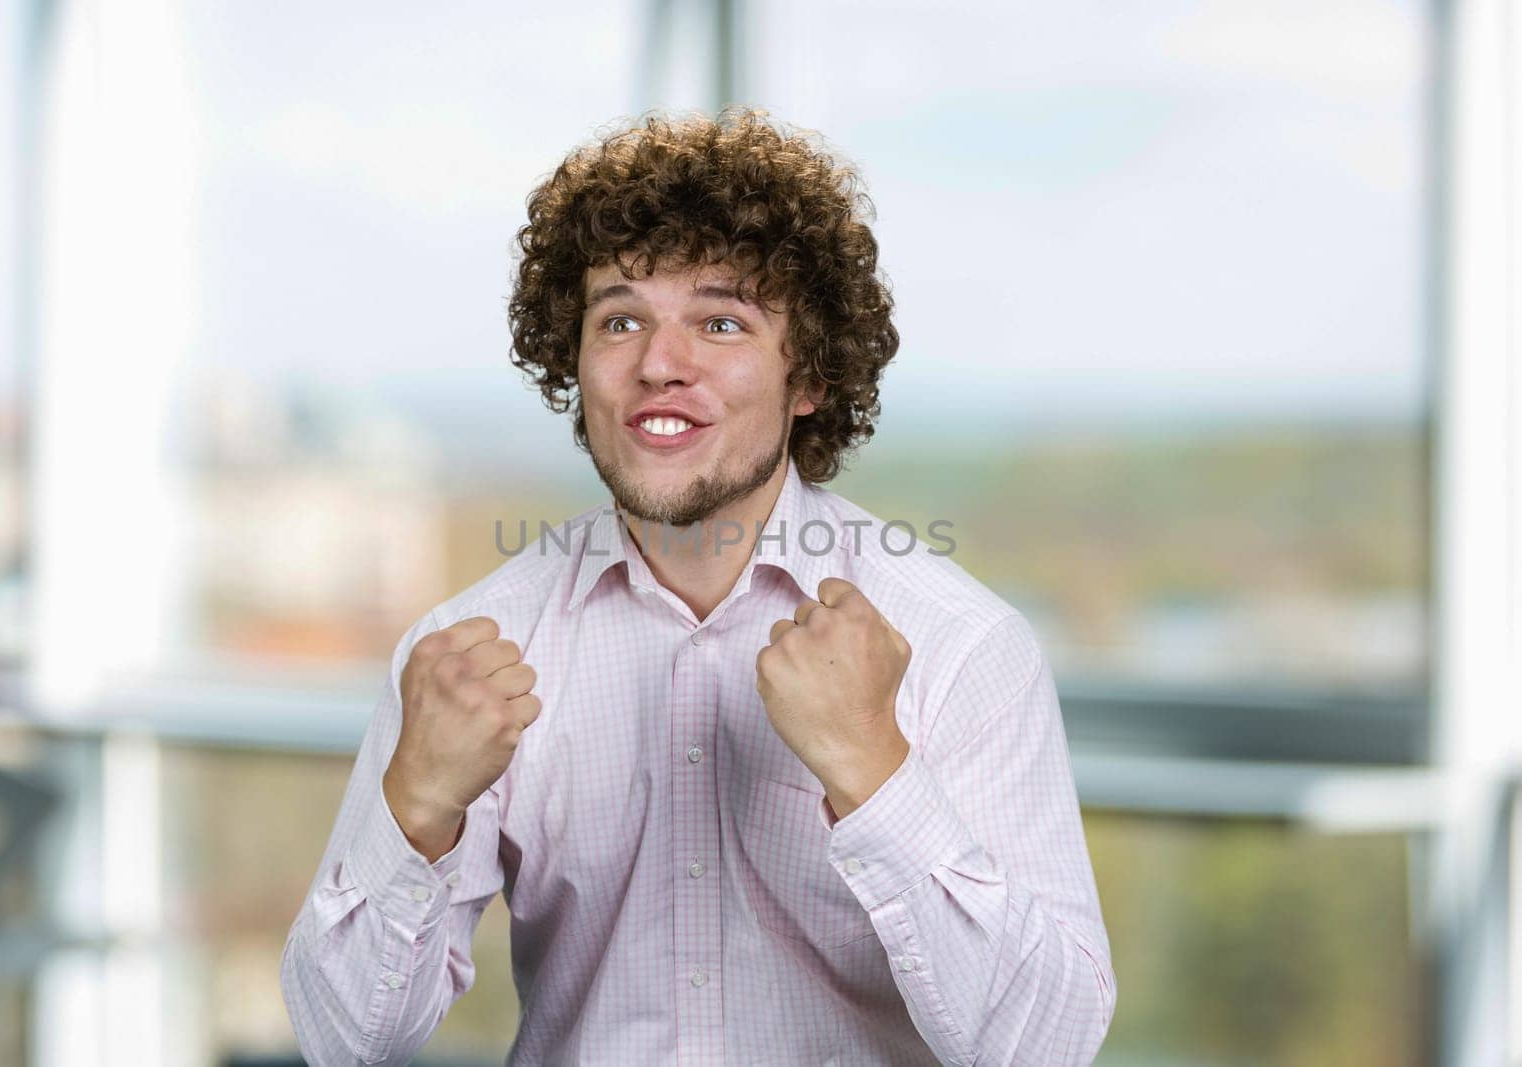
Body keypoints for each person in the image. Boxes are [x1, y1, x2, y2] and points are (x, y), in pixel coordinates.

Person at [280, 106, 1116, 1066]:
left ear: (809, 377)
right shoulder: (469, 649)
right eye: (620, 318)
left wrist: (877, 772)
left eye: (721, 321)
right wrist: (417, 807)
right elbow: (342, 1044)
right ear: (575, 360)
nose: (658, 365)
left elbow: (1049, 1045)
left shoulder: (963, 646)